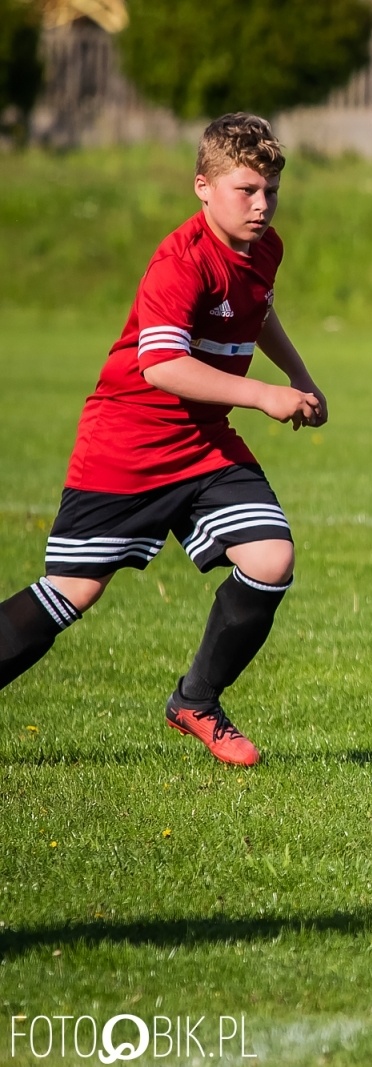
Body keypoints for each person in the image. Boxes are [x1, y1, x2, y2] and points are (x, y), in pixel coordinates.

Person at [0, 113, 326, 767]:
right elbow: (162, 366)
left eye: (271, 191)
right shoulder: (179, 263)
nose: (261, 205)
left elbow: (256, 310)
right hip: (129, 442)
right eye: (246, 190)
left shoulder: (266, 248)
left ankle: (196, 701)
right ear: (202, 187)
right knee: (73, 590)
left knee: (270, 557)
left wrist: (298, 372)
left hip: (205, 440)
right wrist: (265, 394)